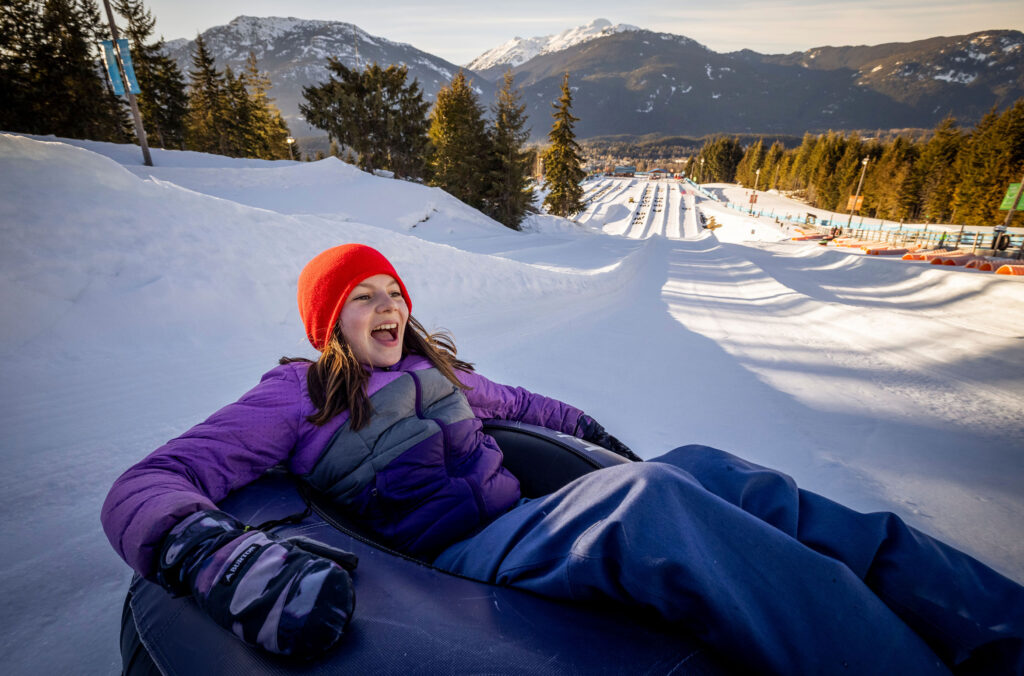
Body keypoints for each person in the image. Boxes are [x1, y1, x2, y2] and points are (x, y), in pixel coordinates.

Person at [102, 244, 1024, 675]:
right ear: (327, 322)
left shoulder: (436, 369)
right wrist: (217, 557)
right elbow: (145, 486)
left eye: (393, 292)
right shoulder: (294, 398)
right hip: (457, 564)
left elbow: (526, 407)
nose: (386, 307)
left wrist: (596, 438)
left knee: (707, 467)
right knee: (653, 502)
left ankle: (991, 625)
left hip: (528, 522)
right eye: (361, 298)